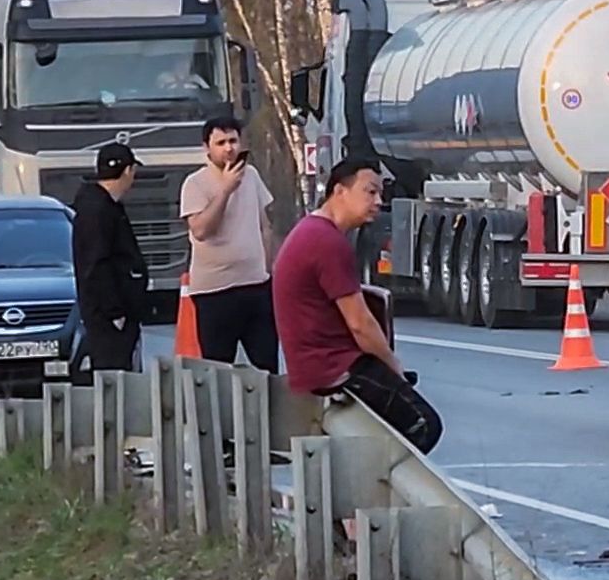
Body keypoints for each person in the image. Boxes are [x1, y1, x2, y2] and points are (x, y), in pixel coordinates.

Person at [272, 157, 441, 454]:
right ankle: (375, 488)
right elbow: (360, 323)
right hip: (333, 366)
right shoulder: (327, 242)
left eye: (380, 193)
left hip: (316, 364)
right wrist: (394, 368)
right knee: (424, 425)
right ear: (340, 191)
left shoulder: (310, 231)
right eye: (370, 191)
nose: (378, 201)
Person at [179, 116, 279, 371]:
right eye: (220, 142)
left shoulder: (252, 175)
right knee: (218, 368)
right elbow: (201, 230)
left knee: (266, 365)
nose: (228, 148)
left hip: (255, 286)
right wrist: (224, 190)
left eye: (233, 141)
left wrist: (268, 270)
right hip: (215, 292)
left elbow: (264, 226)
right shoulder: (195, 183)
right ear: (207, 147)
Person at [71, 143, 148, 380]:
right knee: (114, 378)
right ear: (127, 171)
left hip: (114, 312)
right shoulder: (99, 210)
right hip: (109, 318)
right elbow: (97, 265)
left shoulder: (104, 206)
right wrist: (115, 313)